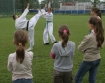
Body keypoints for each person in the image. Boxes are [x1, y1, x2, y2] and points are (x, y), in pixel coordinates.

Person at [74, 16, 104, 83]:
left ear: (92, 25)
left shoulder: (89, 37)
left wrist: (86, 50)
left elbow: (80, 48)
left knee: (78, 77)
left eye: (89, 23)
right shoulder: (101, 35)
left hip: (89, 60)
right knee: (92, 79)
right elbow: (101, 45)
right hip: (97, 59)